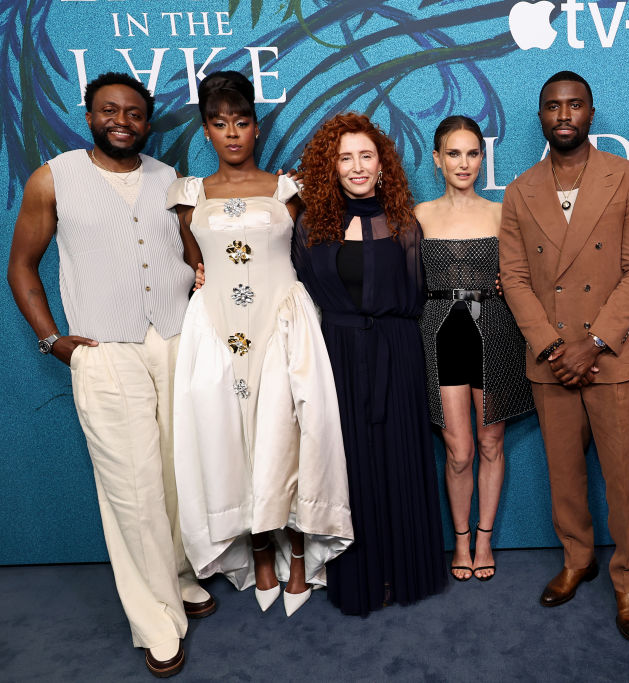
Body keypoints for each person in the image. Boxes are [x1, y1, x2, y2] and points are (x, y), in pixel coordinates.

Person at [7, 72, 209, 677]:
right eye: (108, 111)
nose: (122, 121)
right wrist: (53, 339)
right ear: (89, 115)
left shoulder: (168, 180)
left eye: (133, 113)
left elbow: (189, 253)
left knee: (177, 475)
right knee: (133, 487)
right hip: (104, 348)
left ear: (147, 122)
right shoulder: (55, 178)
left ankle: (177, 575)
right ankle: (154, 620)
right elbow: (21, 265)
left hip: (172, 342)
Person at [168, 71, 353, 617]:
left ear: (256, 126)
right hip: (216, 333)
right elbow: (191, 262)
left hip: (284, 326)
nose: (232, 133)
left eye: (242, 122)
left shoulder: (286, 189)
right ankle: (259, 555)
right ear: (206, 131)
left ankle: (299, 552)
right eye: (220, 123)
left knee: (292, 435)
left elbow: (314, 257)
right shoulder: (189, 195)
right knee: (230, 440)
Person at [499, 71, 629, 641]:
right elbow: (514, 278)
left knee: (623, 478)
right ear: (540, 116)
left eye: (574, 105)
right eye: (552, 107)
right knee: (564, 474)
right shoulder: (519, 191)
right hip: (550, 358)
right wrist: (551, 346)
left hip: (610, 355)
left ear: (592, 112)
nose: (563, 115)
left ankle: (628, 580)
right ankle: (576, 558)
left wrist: (590, 343)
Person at [292, 112, 447, 616]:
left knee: (399, 456)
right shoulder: (311, 223)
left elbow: (418, 292)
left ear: (382, 165)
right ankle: (360, 576)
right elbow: (295, 288)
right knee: (350, 465)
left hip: (397, 353)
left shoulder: (404, 223)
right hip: (336, 355)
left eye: (366, 156)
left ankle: (405, 573)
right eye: (345, 158)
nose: (357, 167)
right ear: (330, 168)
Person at [416, 115, 534, 582]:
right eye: (453, 153)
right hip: (440, 335)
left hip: (497, 333)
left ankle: (484, 540)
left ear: (482, 158)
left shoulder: (503, 213)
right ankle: (460, 541)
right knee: (458, 449)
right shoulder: (419, 215)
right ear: (437, 159)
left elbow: (530, 274)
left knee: (490, 442)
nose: (463, 163)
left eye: (472, 153)